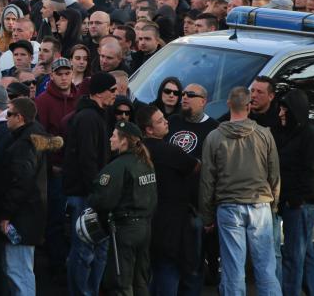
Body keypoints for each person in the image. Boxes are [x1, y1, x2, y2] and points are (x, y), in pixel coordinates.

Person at [199, 87, 281, 296]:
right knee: (265, 267)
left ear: (228, 104)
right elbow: (274, 174)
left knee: (233, 269)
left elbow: (208, 179)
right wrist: (274, 204)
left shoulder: (214, 137)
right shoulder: (264, 135)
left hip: (228, 206)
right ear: (249, 106)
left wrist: (207, 216)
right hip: (259, 204)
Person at [0, 97, 62, 296]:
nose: (5, 118)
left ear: (20, 118)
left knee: (18, 271)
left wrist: (5, 214)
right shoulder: (31, 138)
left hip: (22, 218)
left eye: (8, 114)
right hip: (29, 216)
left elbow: (21, 183)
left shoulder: (24, 144)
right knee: (20, 269)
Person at [85, 120, 157, 295]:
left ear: (124, 140)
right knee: (140, 281)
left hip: (125, 230)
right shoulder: (145, 163)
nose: (110, 139)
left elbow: (103, 201)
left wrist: (91, 200)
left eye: (114, 135)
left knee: (121, 282)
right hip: (145, 227)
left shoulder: (117, 167)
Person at [135, 105, 200, 295]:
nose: (166, 122)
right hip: (170, 223)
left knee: (149, 272)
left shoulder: (137, 151)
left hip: (144, 221)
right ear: (148, 129)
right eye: (160, 121)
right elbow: (194, 166)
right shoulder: (168, 151)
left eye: (164, 118)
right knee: (168, 269)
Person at [63, 72, 118, 295]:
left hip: (92, 194)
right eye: (112, 90)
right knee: (84, 251)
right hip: (86, 196)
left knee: (97, 249)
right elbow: (87, 159)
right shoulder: (88, 118)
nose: (116, 94)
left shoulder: (96, 115)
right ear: (98, 92)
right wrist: (97, 194)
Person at [273, 89, 314, 296]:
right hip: (295, 203)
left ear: (295, 111)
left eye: (284, 109)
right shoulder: (286, 134)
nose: (280, 113)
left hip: (303, 204)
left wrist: (295, 200)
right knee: (305, 254)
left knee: (293, 255)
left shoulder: (311, 135)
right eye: (280, 108)